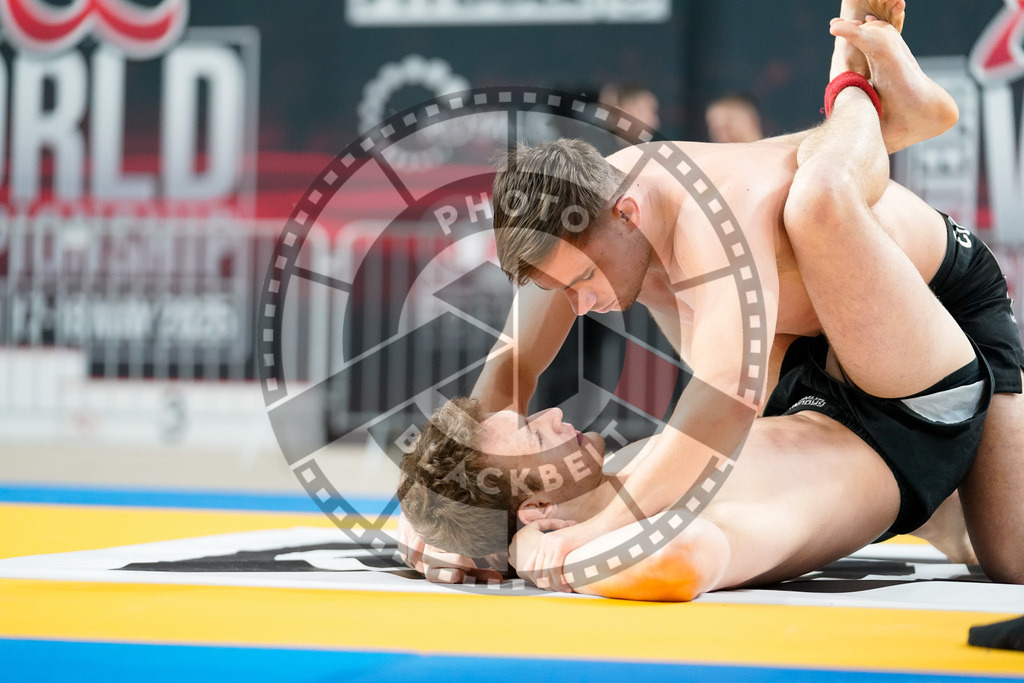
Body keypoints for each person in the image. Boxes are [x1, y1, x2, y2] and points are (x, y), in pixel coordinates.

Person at [399, 0, 1024, 590]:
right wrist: (444, 512)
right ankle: (894, 118)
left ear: (627, 210)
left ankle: (853, 91)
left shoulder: (711, 215)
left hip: (932, 305)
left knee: (816, 202)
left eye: (584, 282)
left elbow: (726, 394)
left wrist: (596, 530)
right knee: (1008, 558)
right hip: (806, 348)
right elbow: (507, 378)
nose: (580, 304)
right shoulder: (571, 229)